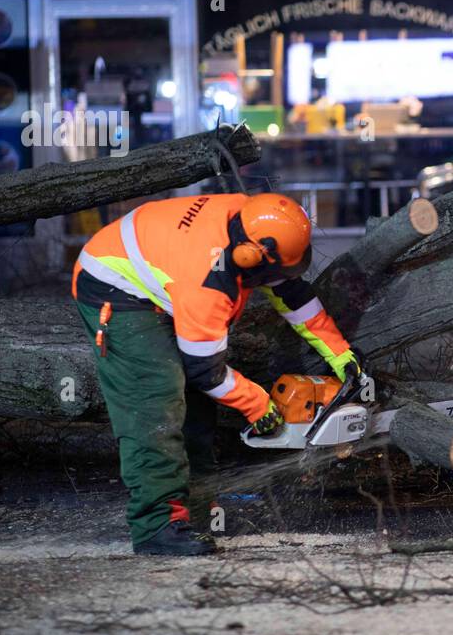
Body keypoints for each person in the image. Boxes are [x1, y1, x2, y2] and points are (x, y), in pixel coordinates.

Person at [72, 192, 360, 556]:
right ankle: (156, 527)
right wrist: (259, 407)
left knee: (197, 409)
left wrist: (341, 355)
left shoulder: (253, 222)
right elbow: (205, 371)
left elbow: (292, 293)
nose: (276, 280)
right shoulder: (209, 279)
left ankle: (195, 514)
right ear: (248, 258)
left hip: (165, 271)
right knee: (156, 398)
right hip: (115, 287)